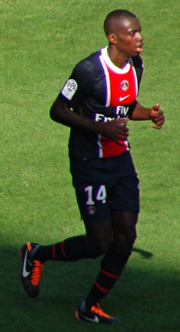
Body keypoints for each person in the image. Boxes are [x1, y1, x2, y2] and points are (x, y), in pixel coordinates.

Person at [20, 9, 165, 325]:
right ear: (114, 38)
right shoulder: (88, 70)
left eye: (140, 31)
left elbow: (124, 107)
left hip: (120, 160)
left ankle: (89, 306)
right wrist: (102, 129)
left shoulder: (135, 66)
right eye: (132, 33)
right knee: (99, 243)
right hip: (89, 164)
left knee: (125, 236)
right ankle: (36, 254)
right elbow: (58, 110)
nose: (139, 37)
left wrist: (148, 115)